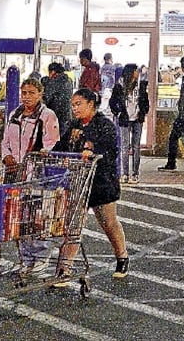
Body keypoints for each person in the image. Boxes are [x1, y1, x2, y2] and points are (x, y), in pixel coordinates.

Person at [53, 88, 129, 279]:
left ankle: (122, 257)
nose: (75, 108)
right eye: (73, 105)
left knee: (108, 222)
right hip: (78, 181)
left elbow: (110, 150)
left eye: (78, 104)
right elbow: (62, 145)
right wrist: (51, 152)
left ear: (91, 104)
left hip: (101, 182)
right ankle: (64, 269)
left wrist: (93, 150)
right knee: (73, 226)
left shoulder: (104, 125)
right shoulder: (74, 125)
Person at [1, 77, 61, 272]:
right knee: (17, 216)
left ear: (40, 94)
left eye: (31, 93)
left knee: (37, 216)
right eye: (24, 93)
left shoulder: (47, 115)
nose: (26, 97)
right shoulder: (14, 114)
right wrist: (7, 156)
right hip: (14, 173)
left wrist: (35, 158)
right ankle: (25, 258)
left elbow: (51, 144)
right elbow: (5, 141)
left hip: (36, 174)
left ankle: (41, 256)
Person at [109, 63, 150, 183]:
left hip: (137, 118)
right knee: (125, 146)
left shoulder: (141, 85)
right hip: (125, 119)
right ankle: (125, 174)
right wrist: (119, 113)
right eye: (136, 71)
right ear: (131, 72)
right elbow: (113, 101)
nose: (138, 73)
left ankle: (135, 174)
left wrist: (143, 111)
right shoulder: (120, 86)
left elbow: (145, 100)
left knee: (136, 146)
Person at [42, 61, 74, 137]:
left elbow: (45, 98)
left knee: (53, 141)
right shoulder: (68, 80)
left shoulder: (54, 82)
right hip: (67, 115)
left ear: (53, 72)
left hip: (56, 116)